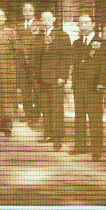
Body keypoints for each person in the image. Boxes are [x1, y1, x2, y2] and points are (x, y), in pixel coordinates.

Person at [69, 14, 106, 160]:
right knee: (79, 117)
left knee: (95, 118)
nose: (84, 25)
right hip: (79, 85)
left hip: (94, 86)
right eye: (81, 23)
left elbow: (105, 65)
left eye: (87, 23)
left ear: (93, 24)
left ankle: (96, 149)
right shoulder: (76, 43)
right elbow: (75, 63)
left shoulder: (101, 43)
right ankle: (80, 146)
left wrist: (102, 83)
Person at [35, 11, 71, 151]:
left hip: (57, 78)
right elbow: (36, 57)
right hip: (42, 78)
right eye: (43, 19)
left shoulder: (62, 35)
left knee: (57, 108)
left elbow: (66, 58)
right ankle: (48, 134)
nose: (46, 22)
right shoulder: (39, 36)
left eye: (48, 19)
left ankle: (58, 138)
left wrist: (62, 76)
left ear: (54, 19)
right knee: (46, 107)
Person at [16, 3, 39, 127]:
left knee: (37, 91)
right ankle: (28, 114)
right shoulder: (19, 26)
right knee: (25, 92)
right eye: (25, 10)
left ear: (34, 11)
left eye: (30, 10)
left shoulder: (40, 25)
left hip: (36, 64)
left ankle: (35, 116)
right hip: (22, 64)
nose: (27, 12)